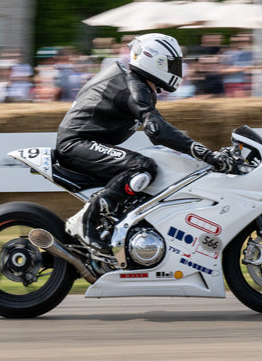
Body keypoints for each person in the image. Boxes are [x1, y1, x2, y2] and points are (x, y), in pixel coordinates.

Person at [55, 33, 235, 249]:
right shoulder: (134, 86)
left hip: (84, 141)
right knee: (142, 166)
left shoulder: (135, 83)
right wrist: (205, 154)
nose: (178, 70)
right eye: (173, 64)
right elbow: (157, 130)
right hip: (77, 144)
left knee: (150, 166)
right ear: (155, 61)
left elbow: (159, 127)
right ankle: (86, 221)